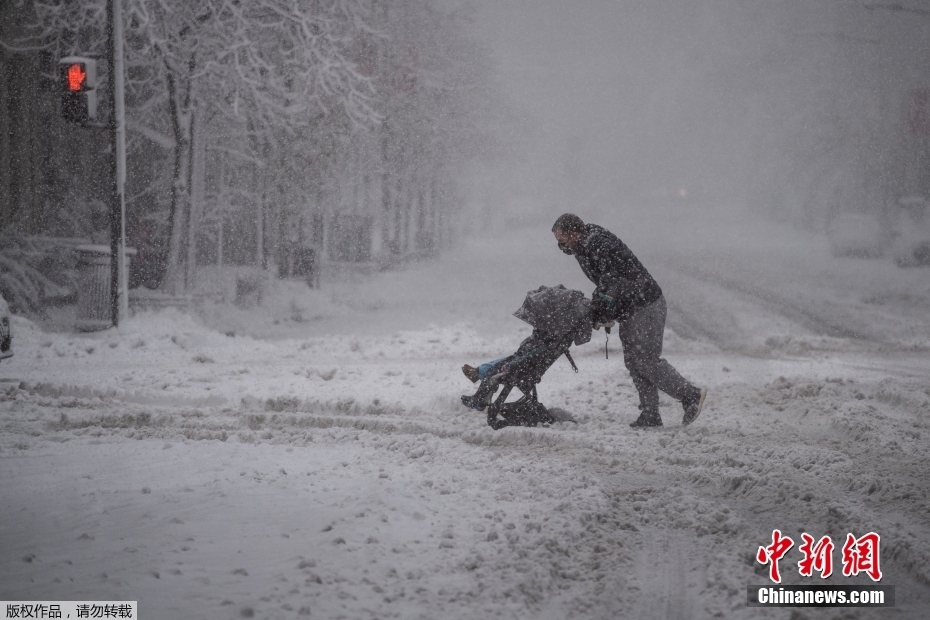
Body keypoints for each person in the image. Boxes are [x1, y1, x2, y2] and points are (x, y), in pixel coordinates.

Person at [552, 213, 706, 428]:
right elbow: (606, 283)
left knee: (646, 360)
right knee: (634, 361)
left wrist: (602, 309)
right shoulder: (585, 245)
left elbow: (612, 280)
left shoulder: (596, 244)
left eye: (562, 241)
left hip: (645, 304)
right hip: (632, 307)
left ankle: (691, 395)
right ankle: (650, 414)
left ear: (574, 234)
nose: (561, 247)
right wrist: (601, 307)